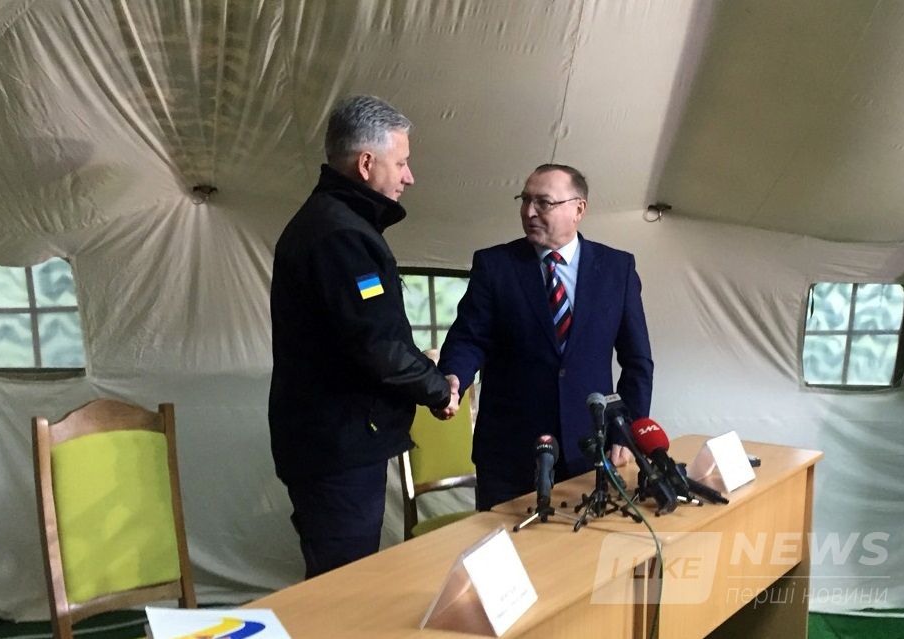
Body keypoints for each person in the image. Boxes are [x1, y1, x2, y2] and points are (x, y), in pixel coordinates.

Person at [269, 95, 458, 578]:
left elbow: (369, 332)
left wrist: (423, 368)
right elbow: (375, 345)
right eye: (402, 162)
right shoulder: (341, 235)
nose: (409, 177)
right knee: (342, 588)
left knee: (341, 582)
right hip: (336, 446)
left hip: (335, 441)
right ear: (367, 163)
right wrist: (438, 388)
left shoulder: (336, 223)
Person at [438, 164, 653, 511]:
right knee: (506, 543)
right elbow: (469, 338)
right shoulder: (496, 265)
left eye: (544, 202)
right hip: (509, 452)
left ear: (578, 209)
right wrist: (453, 378)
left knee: (582, 544)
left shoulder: (617, 269)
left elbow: (637, 361)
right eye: (524, 200)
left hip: (589, 450)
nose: (529, 212)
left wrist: (626, 431)